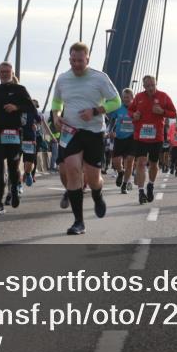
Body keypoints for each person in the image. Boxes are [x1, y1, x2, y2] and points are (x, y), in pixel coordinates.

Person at [50, 42, 122, 235]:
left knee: (92, 178)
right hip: (71, 132)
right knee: (73, 170)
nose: (76, 64)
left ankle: (97, 195)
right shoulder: (63, 79)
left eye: (80, 60)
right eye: (73, 60)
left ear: (87, 59)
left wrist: (96, 110)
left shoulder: (100, 78)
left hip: (94, 132)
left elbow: (116, 102)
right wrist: (56, 116)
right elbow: (56, 103)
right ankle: (78, 222)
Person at [0, 62, 36, 214]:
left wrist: (16, 107)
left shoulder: (20, 90)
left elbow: (31, 108)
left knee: (13, 168)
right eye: (2, 72)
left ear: (12, 73)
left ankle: (13, 190)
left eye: (7, 71)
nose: (4, 74)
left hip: (14, 134)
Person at [129, 75, 177, 204]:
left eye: (152, 85)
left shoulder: (164, 96)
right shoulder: (138, 97)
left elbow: (174, 113)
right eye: (148, 86)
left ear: (156, 84)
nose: (150, 88)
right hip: (140, 136)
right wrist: (134, 114)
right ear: (144, 86)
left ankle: (150, 184)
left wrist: (162, 111)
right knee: (141, 162)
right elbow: (130, 110)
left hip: (156, 136)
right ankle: (140, 191)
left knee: (154, 164)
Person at [108, 88, 136, 194]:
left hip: (132, 138)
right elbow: (112, 121)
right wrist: (111, 131)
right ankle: (120, 172)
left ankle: (124, 185)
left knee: (129, 161)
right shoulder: (118, 107)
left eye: (128, 97)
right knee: (115, 161)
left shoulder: (136, 108)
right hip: (119, 137)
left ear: (132, 98)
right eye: (124, 97)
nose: (126, 99)